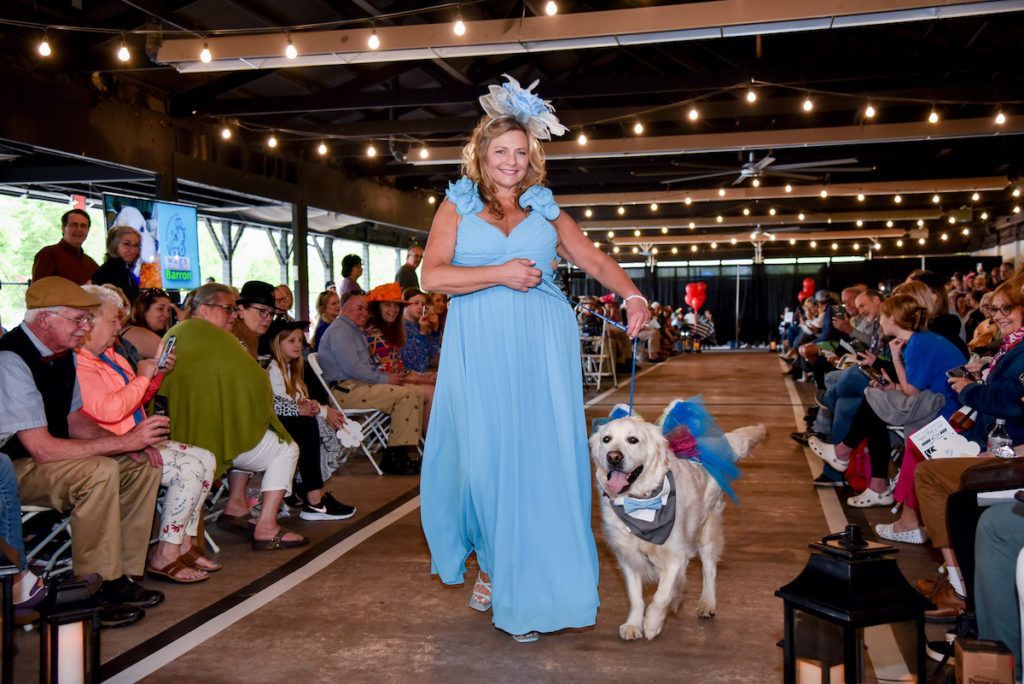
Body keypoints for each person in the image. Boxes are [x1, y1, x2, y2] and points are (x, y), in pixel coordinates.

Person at [418, 75, 651, 643]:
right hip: (479, 348)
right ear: (481, 152)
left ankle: (525, 585)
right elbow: (431, 275)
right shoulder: (457, 205)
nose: (511, 161)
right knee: (485, 463)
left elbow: (594, 260)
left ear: (532, 157)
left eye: (521, 152)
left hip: (542, 347)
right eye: (501, 151)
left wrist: (634, 295)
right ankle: (494, 564)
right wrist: (498, 273)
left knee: (539, 464)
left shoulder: (546, 210)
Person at [0, 277, 168, 627]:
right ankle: (93, 586)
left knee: (142, 465)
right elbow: (41, 449)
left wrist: (129, 445)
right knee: (99, 470)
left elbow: (76, 422)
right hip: (15, 464)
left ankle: (121, 574)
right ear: (45, 319)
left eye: (89, 319)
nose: (86, 327)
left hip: (45, 457)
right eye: (78, 319)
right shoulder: (12, 358)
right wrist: (121, 442)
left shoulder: (63, 355)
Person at [74, 285, 217, 583]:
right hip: (111, 445)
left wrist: (156, 375)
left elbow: (135, 400)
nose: (119, 327)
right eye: (113, 321)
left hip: (133, 437)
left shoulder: (110, 356)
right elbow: (110, 410)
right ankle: (165, 553)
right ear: (90, 322)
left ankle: (182, 544)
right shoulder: (80, 363)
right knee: (189, 468)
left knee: (206, 458)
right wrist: (143, 376)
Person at [158, 283, 306, 551]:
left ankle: (210, 525)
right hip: (208, 439)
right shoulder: (220, 339)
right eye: (228, 309)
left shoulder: (174, 333)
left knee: (226, 445)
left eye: (234, 310)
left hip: (176, 432)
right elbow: (257, 385)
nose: (233, 315)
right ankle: (267, 527)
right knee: (287, 448)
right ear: (204, 309)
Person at [318, 292, 424, 475]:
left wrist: (389, 377)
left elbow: (367, 367)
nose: (364, 313)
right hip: (345, 392)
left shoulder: (352, 330)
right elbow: (353, 368)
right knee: (407, 395)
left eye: (365, 309)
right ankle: (394, 457)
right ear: (344, 309)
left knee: (416, 392)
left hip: (357, 386)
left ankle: (400, 453)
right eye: (359, 308)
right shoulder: (340, 331)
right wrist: (386, 379)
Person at [262, 318, 355, 521]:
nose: (298, 345)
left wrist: (318, 408)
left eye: (299, 340)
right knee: (308, 425)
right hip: (271, 422)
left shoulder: (290, 369)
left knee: (317, 421)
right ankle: (314, 498)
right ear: (277, 344)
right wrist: (308, 409)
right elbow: (276, 403)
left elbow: (297, 401)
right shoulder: (272, 369)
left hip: (286, 418)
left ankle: (304, 491)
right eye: (291, 341)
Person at [364, 283, 435, 433]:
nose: (393, 310)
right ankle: (423, 444)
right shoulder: (374, 332)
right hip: (377, 383)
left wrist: (421, 375)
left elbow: (400, 364)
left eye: (396, 305)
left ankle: (425, 443)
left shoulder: (392, 330)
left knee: (432, 390)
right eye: (387, 305)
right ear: (377, 308)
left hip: (393, 379)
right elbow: (389, 368)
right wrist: (419, 378)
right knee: (430, 392)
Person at [32, 208, 100, 285]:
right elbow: (39, 292)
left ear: (88, 230)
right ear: (63, 228)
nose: (79, 229)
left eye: (83, 226)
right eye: (74, 225)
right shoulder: (49, 255)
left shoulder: (91, 264)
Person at [91, 227, 142, 304]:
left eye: (136, 245)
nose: (132, 250)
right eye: (127, 244)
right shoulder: (106, 273)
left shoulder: (125, 270)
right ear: (114, 245)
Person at [122, 288, 175, 361]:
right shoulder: (136, 333)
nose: (167, 315)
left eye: (168, 310)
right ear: (144, 310)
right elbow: (178, 355)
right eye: (160, 309)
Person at [233, 281, 277, 360]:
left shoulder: (253, 339)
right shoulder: (234, 341)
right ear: (241, 311)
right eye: (262, 311)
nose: (269, 318)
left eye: (271, 313)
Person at [401, 287, 441, 373]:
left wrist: (435, 331)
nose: (420, 307)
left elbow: (433, 358)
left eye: (423, 305)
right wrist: (422, 334)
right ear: (405, 304)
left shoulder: (422, 325)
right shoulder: (400, 327)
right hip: (409, 375)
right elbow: (417, 366)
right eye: (416, 303)